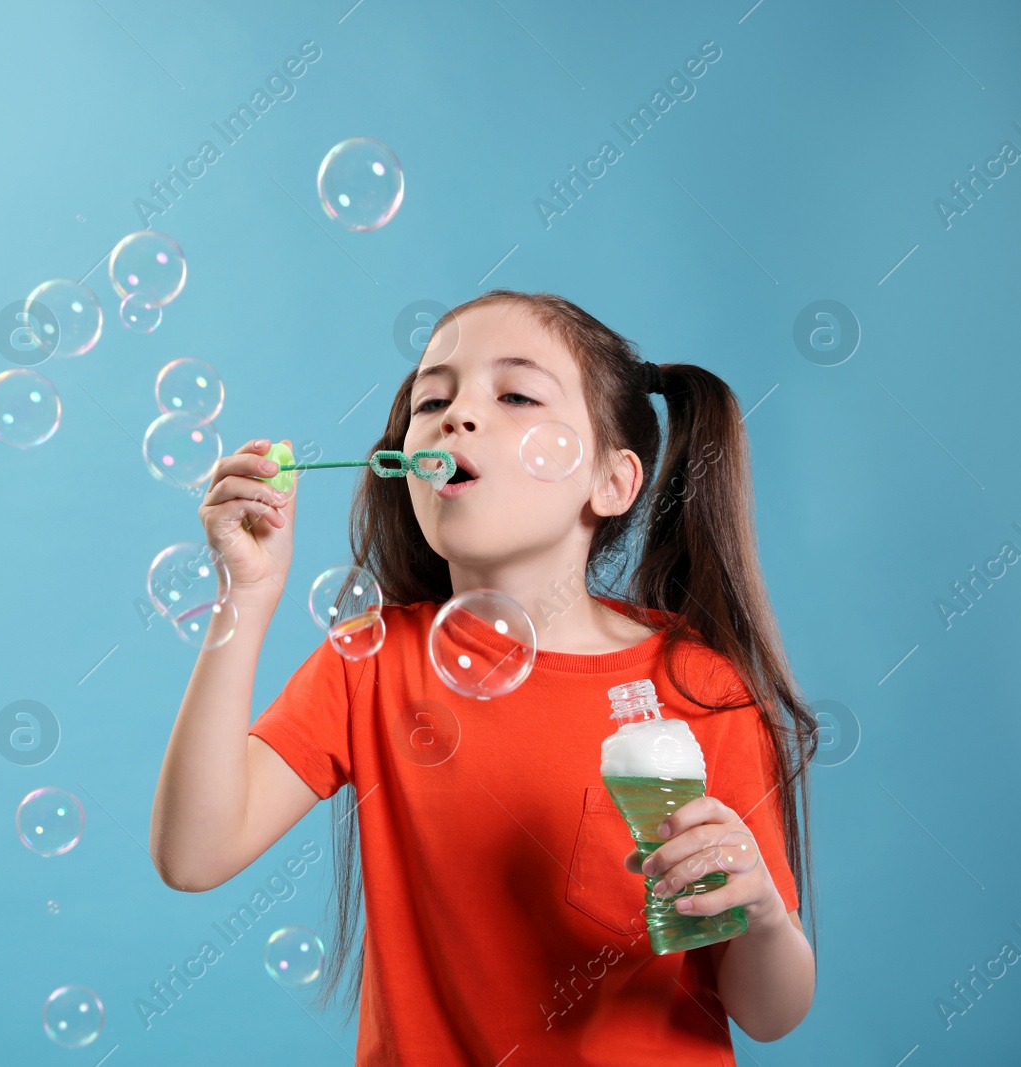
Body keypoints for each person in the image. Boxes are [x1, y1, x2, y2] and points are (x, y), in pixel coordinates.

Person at [149, 289, 818, 1064]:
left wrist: (764, 912)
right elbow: (192, 853)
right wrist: (249, 593)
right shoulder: (371, 665)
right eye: (432, 399)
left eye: (516, 394)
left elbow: (769, 1012)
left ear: (612, 481)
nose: (455, 416)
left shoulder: (696, 686)